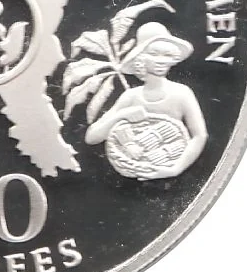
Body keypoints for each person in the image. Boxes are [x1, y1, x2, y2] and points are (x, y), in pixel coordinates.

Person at [85, 22, 207, 180]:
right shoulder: (131, 96)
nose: (161, 60)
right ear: (140, 58)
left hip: (166, 162)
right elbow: (92, 137)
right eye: (154, 54)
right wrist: (123, 115)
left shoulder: (182, 93)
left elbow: (199, 136)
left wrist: (174, 170)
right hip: (129, 172)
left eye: (167, 55)